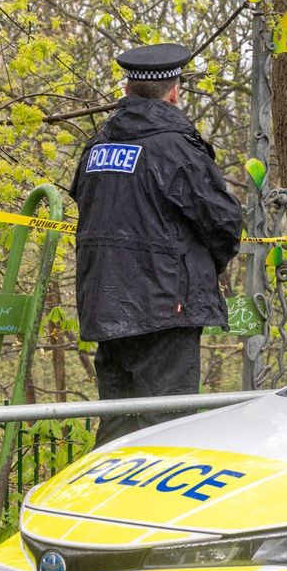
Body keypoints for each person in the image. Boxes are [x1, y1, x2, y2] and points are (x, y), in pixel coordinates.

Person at [69, 43, 242, 447]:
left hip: (104, 306)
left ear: (126, 90)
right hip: (166, 309)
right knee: (167, 434)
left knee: (117, 427)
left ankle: (99, 505)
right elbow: (224, 223)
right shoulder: (176, 148)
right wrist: (199, 270)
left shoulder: (96, 148)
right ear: (174, 92)